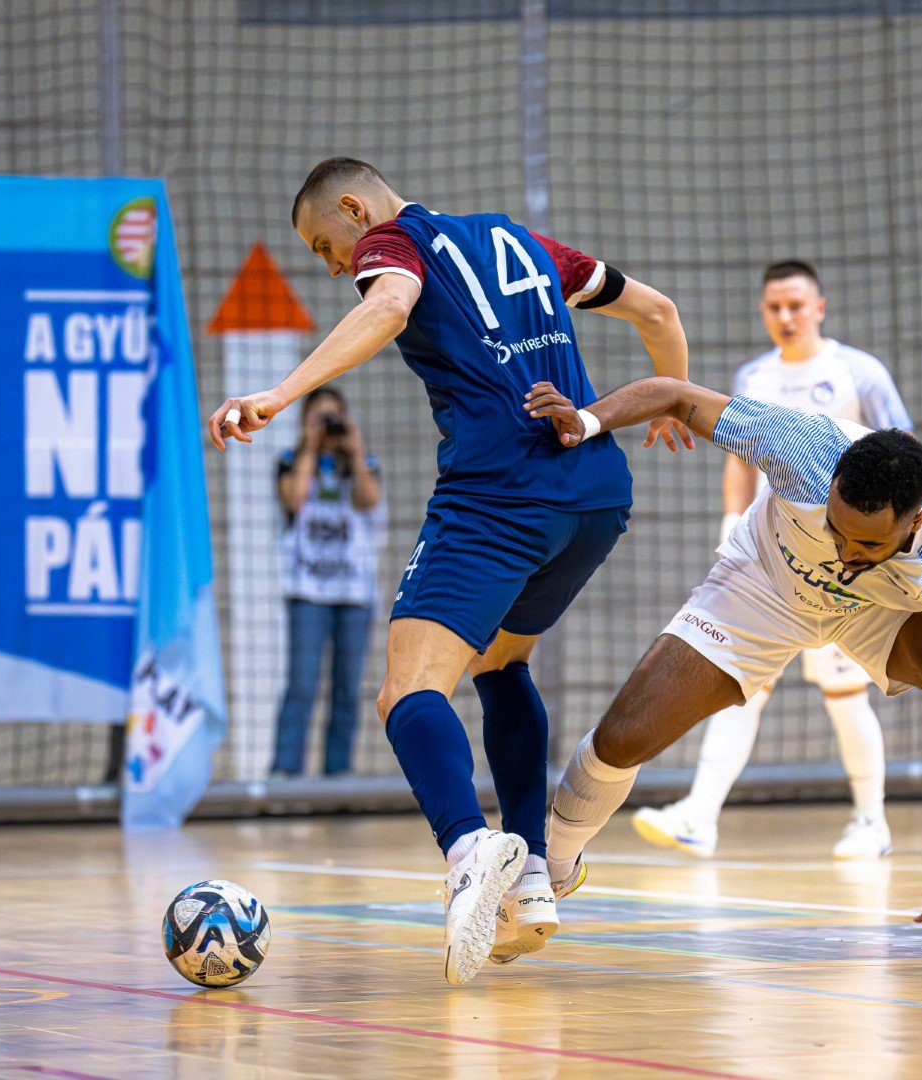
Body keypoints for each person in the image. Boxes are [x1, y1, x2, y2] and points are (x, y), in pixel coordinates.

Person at [208, 157, 691, 985]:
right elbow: (657, 309)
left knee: (407, 689)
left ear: (354, 209)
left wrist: (281, 395)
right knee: (501, 662)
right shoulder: (519, 240)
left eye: (327, 246)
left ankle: (471, 852)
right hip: (597, 494)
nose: (334, 268)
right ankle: (533, 875)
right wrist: (674, 403)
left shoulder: (392, 244)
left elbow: (391, 306)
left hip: (500, 494)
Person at [524, 376, 922, 966]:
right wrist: (589, 421)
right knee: (624, 736)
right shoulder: (799, 447)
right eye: (837, 528)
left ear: (913, 522)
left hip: (876, 612)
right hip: (765, 587)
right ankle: (550, 870)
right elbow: (673, 394)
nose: (847, 551)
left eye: (867, 543)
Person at [633, 260, 914, 861]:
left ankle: (871, 821)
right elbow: (740, 459)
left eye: (795, 306)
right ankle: (700, 816)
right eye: (773, 308)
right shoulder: (753, 375)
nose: (784, 318)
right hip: (769, 555)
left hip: (843, 562)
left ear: (819, 307)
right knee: (741, 683)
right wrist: (730, 522)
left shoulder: (858, 373)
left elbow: (906, 459)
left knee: (843, 693)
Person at [271, 385, 384, 778]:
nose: (328, 425)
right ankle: (285, 773)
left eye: (334, 417)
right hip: (308, 592)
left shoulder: (362, 463)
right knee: (301, 685)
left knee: (347, 691)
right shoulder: (290, 461)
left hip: (354, 595)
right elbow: (294, 500)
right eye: (319, 418)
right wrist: (311, 446)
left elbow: (368, 499)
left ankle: (338, 774)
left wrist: (353, 449)